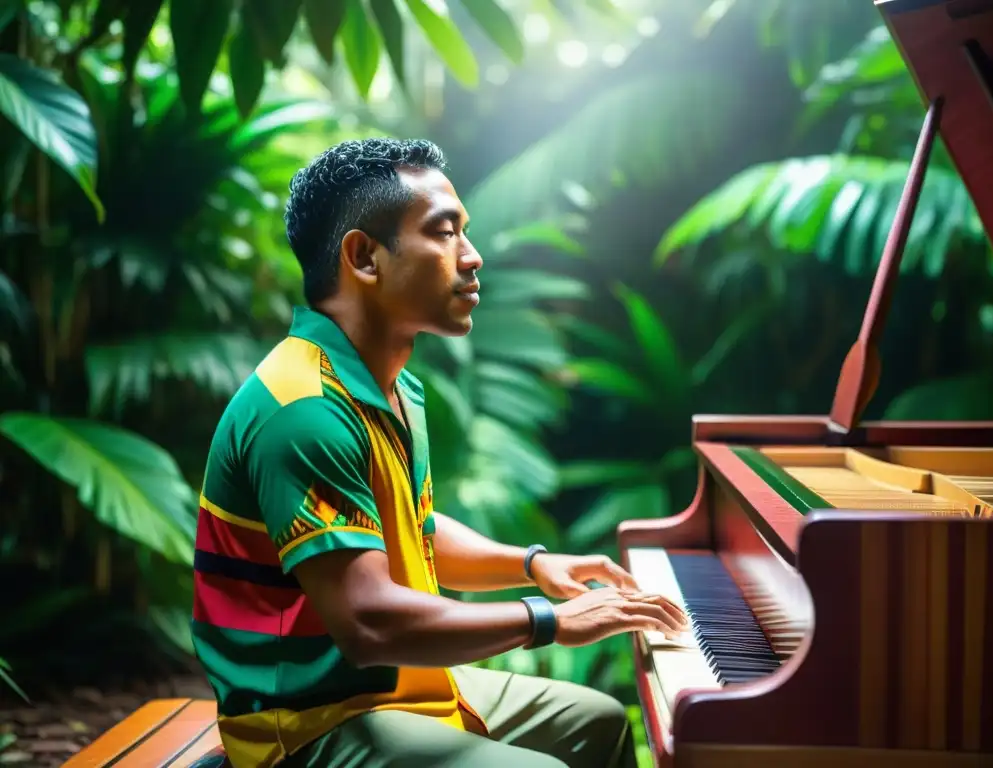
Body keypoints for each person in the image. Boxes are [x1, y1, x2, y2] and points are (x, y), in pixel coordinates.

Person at [191, 137, 685, 768]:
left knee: (598, 722)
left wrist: (533, 564)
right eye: (445, 233)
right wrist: (551, 620)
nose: (472, 257)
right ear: (364, 257)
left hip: (391, 687)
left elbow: (410, 531)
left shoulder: (386, 388)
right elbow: (368, 622)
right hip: (309, 719)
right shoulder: (302, 408)